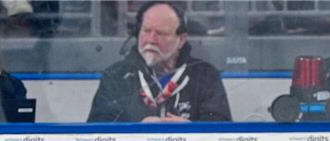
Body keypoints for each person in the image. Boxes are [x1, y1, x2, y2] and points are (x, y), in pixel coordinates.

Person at [87, 1, 231, 123]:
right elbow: (96, 133)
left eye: (161, 33)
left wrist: (190, 131)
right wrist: (136, 130)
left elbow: (222, 132)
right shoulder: (116, 76)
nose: (151, 40)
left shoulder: (206, 75)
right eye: (146, 31)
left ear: (181, 40)